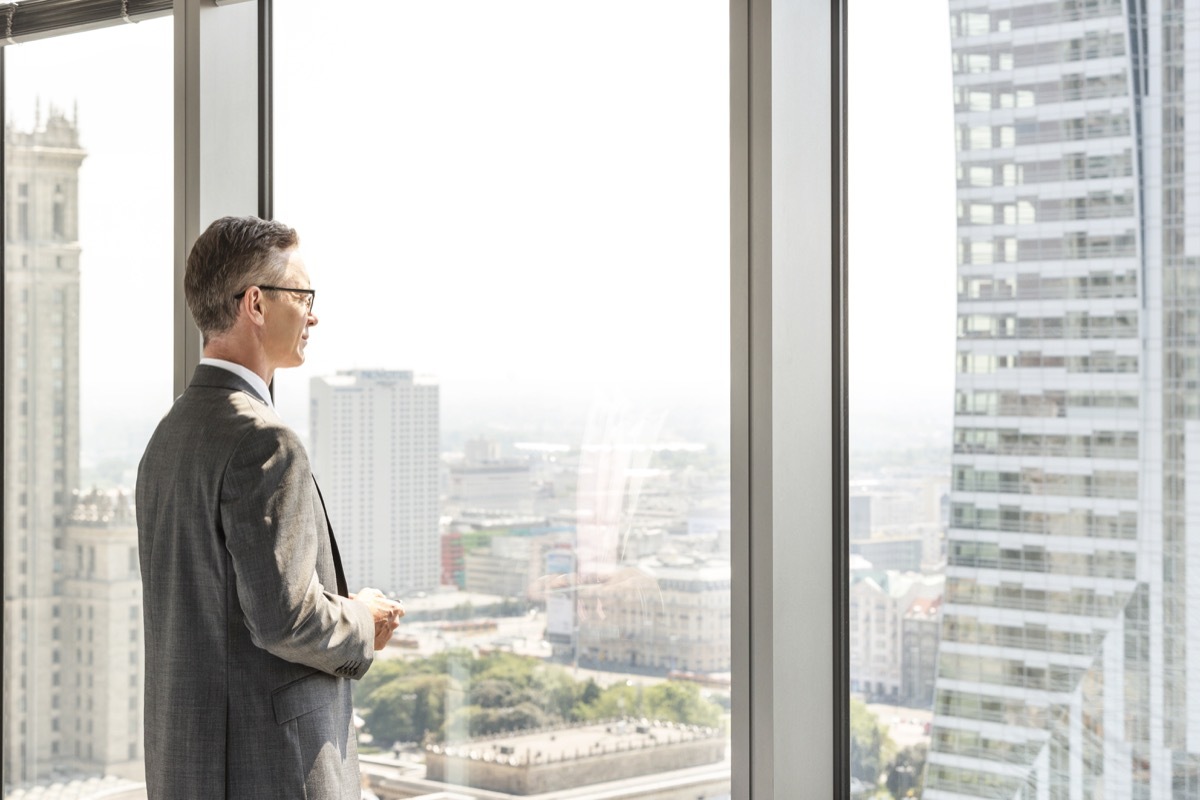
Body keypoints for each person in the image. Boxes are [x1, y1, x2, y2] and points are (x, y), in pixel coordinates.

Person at [136, 215, 404, 800]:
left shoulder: (169, 435)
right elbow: (284, 619)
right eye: (304, 295)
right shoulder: (263, 440)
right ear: (255, 304)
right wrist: (364, 619)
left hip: (187, 765)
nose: (314, 313)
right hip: (269, 770)